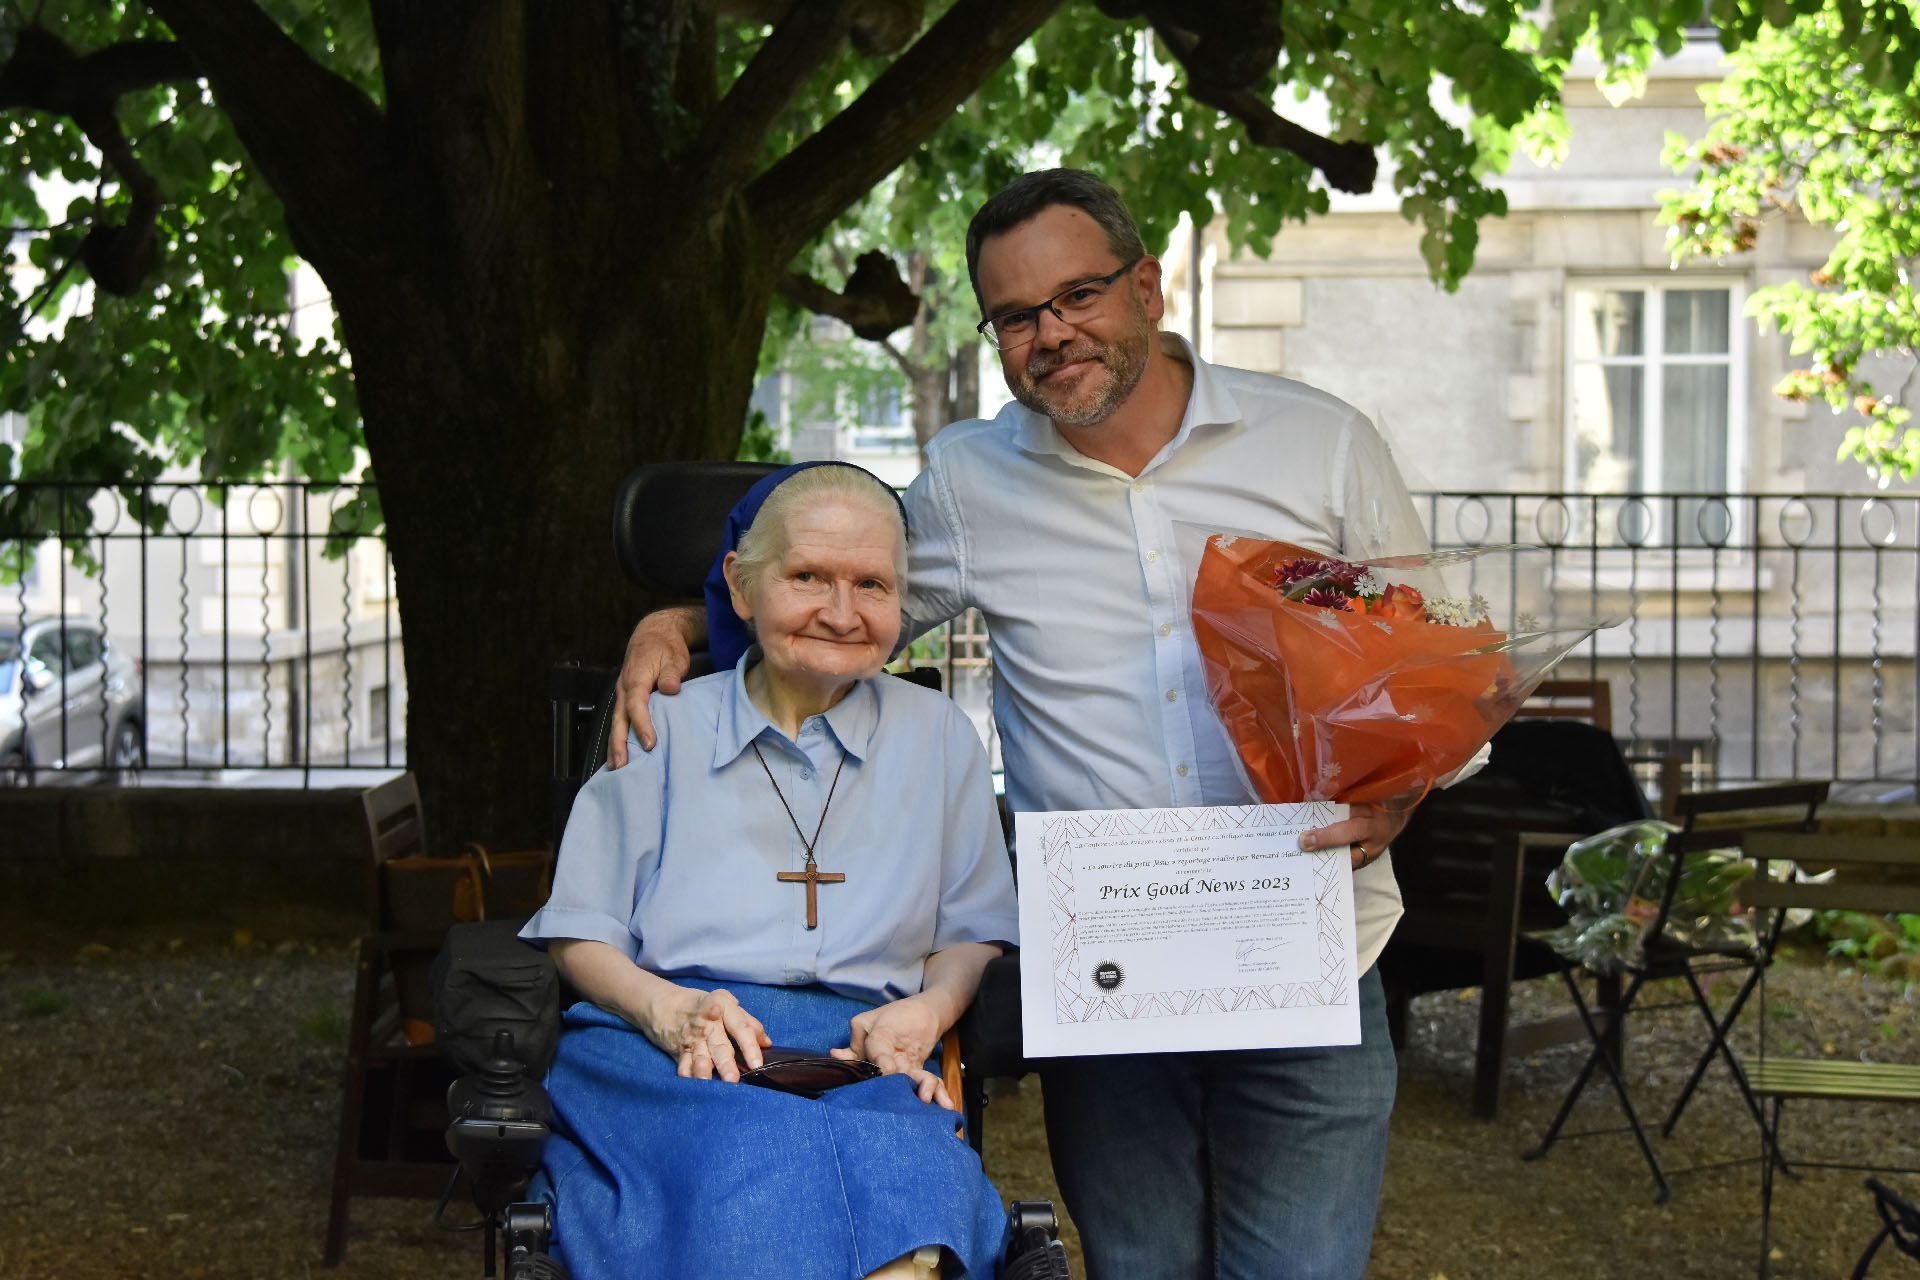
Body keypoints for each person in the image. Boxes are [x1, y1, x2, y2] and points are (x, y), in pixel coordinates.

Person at [610, 169, 1427, 1280]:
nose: (1053, 334)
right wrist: (684, 619)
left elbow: (1431, 664)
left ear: (1147, 285)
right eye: (1016, 316)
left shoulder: (1319, 445)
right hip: (1110, 960)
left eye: (1079, 295)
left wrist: (1403, 787)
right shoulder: (969, 483)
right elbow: (838, 601)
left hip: (1309, 939)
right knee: (1136, 1263)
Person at [523, 461, 1020, 1280]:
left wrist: (929, 1013)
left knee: (918, 1202)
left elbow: (971, 930)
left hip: (869, 1056)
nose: (842, 612)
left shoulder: (938, 736)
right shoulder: (663, 725)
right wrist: (667, 1009)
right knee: (748, 1169)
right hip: (674, 1047)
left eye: (872, 584)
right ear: (742, 588)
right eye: (808, 577)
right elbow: (579, 931)